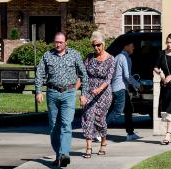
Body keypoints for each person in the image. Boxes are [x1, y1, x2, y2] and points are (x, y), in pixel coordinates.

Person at [35, 32, 88, 167]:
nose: (58, 44)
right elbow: (40, 73)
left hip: (69, 93)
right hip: (52, 93)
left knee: (66, 124)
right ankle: (59, 155)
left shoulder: (74, 54)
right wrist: (39, 91)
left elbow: (84, 75)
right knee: (54, 127)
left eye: (60, 42)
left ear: (66, 43)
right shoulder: (48, 55)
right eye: (56, 42)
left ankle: (64, 154)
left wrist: (84, 94)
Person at [76, 31, 115, 158]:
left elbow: (108, 79)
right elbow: (81, 76)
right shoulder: (88, 58)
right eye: (94, 45)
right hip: (89, 92)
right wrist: (76, 90)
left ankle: (103, 141)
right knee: (87, 117)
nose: (96, 48)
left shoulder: (111, 59)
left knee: (99, 119)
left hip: (104, 94)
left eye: (98, 45)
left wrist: (99, 89)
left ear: (103, 44)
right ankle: (88, 148)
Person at [107, 40, 141, 141]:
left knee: (128, 109)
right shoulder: (124, 57)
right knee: (117, 111)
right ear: (126, 46)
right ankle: (98, 130)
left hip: (119, 88)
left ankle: (130, 133)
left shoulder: (117, 56)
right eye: (132, 46)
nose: (133, 48)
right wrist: (138, 85)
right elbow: (127, 76)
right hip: (120, 88)